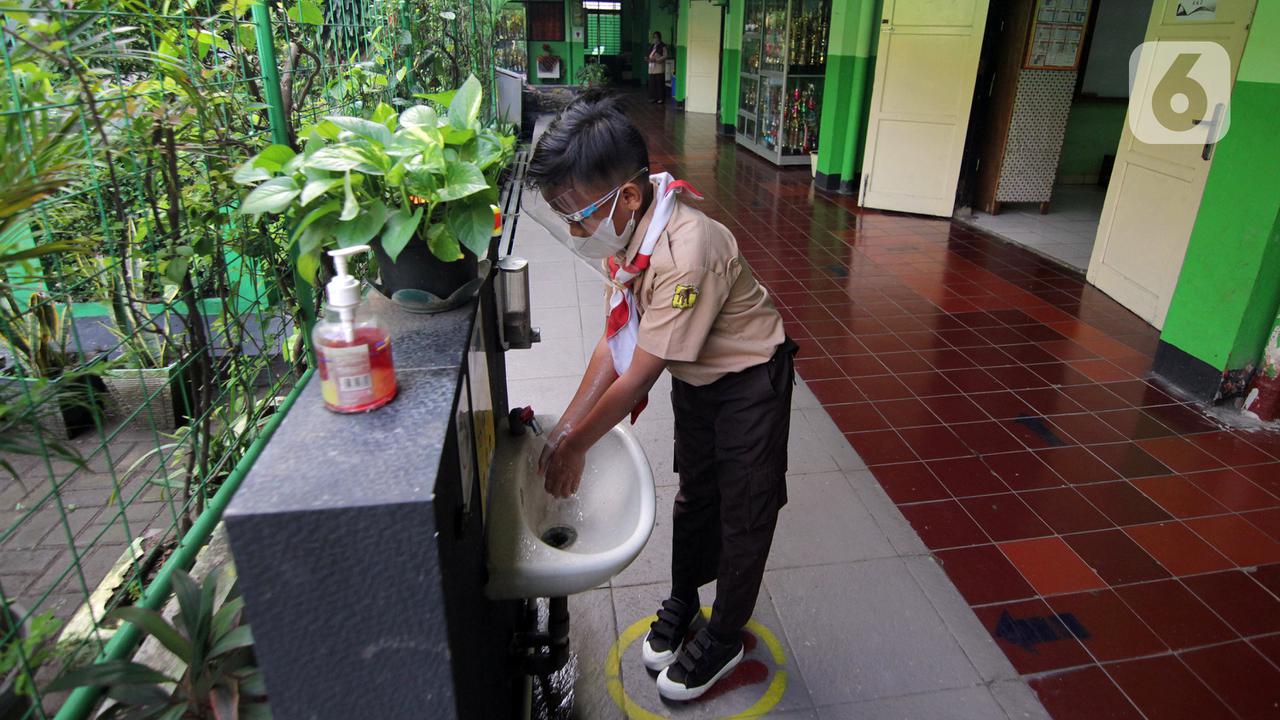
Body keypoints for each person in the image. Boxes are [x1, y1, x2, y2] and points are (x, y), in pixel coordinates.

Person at [523, 93, 796, 702]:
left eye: (578, 216)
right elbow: (614, 347)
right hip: (698, 382)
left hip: (750, 383)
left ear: (628, 196)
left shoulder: (687, 249)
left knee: (745, 510)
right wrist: (561, 434)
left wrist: (578, 447)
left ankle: (724, 635)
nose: (573, 231)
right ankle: (684, 601)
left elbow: (639, 375)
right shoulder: (629, 243)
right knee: (696, 497)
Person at [647, 32, 667, 104]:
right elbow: (648, 54)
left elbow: (665, 56)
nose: (655, 39)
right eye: (654, 37)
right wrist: (648, 59)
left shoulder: (663, 46)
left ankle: (660, 98)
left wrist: (657, 60)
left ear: (659, 38)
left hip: (659, 68)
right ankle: (653, 98)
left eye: (656, 37)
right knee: (653, 84)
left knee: (659, 84)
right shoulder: (652, 46)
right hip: (652, 68)